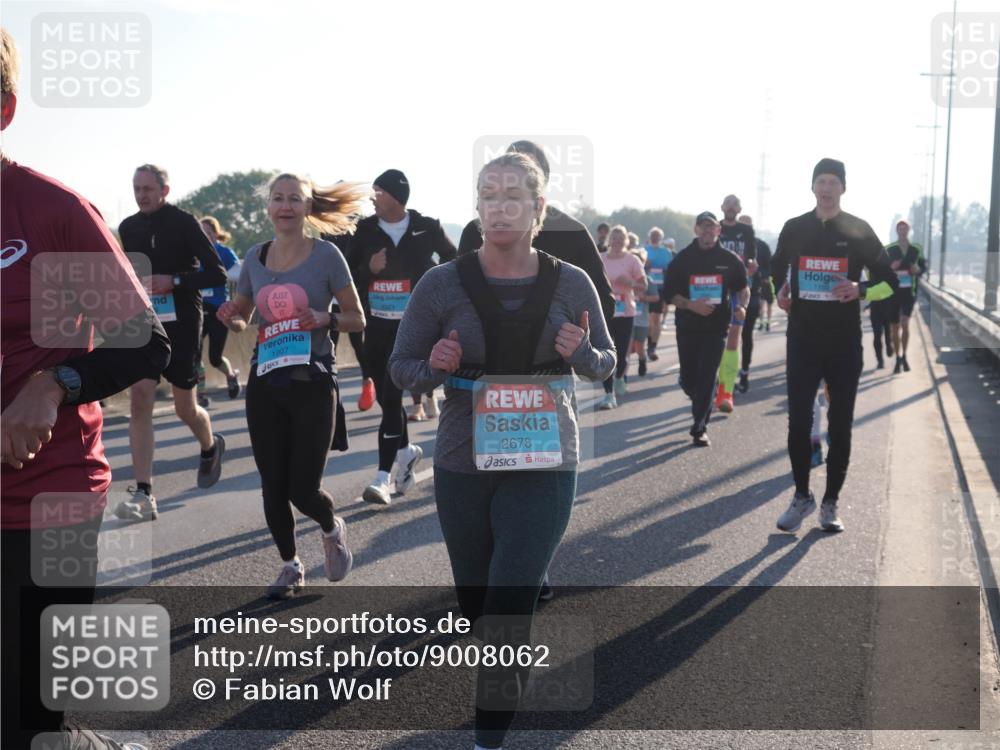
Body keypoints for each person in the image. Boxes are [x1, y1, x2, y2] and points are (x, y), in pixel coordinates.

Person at [389, 151, 615, 750]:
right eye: (489, 194)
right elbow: (401, 368)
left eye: (514, 195)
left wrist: (583, 356)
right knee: (476, 607)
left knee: (510, 602)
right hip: (464, 459)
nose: (500, 205)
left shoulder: (571, 281)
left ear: (539, 210)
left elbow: (606, 362)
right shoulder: (442, 284)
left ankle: (489, 735)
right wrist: (434, 367)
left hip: (546, 461)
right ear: (479, 207)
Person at [1, 27, 170, 750]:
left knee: (29, 719)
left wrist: (53, 382)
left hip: (50, 494)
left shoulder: (51, 210)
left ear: (4, 109)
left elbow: (145, 339)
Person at [216, 173, 365, 599]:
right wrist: (234, 316)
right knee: (272, 483)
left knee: (302, 486)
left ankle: (332, 527)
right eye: (277, 199)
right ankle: (290, 565)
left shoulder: (327, 255)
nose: (285, 206)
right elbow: (245, 317)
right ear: (269, 207)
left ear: (307, 207)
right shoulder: (255, 257)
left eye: (294, 199)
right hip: (266, 381)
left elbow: (358, 318)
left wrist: (326, 318)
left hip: (313, 381)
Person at [772, 158, 897, 533]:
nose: (826, 188)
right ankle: (801, 496)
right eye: (820, 181)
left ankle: (830, 503)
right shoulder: (795, 228)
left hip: (844, 343)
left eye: (833, 182)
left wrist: (861, 290)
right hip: (803, 340)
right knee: (798, 423)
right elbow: (775, 269)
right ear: (812, 187)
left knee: (840, 425)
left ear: (843, 188)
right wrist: (777, 292)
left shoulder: (859, 229)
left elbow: (890, 280)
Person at [114, 164, 228, 522]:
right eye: (137, 188)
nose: (142, 194)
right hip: (144, 322)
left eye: (148, 188)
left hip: (182, 322)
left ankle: (210, 445)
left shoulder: (184, 222)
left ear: (164, 190)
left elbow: (216, 273)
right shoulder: (129, 228)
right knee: (140, 400)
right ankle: (144, 493)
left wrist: (174, 281)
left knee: (184, 408)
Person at [350, 169, 456, 504]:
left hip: (413, 328)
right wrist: (371, 269)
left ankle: (382, 477)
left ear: (396, 196)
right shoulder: (364, 230)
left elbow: (455, 261)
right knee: (385, 397)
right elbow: (347, 274)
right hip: (377, 326)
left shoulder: (427, 226)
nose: (372, 198)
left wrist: (433, 291)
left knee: (392, 398)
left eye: (378, 191)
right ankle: (406, 450)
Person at [458, 139, 616, 327]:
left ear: (544, 181)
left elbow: (603, 303)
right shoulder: (475, 232)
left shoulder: (574, 234)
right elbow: (452, 297)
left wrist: (567, 338)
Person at [662, 211, 749, 446]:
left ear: (718, 231)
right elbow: (669, 294)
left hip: (716, 328)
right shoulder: (683, 259)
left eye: (712, 227)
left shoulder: (730, 260)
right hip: (688, 327)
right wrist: (691, 305)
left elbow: (742, 288)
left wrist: (741, 306)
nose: (707, 231)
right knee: (691, 380)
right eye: (703, 227)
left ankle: (699, 428)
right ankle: (697, 393)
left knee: (707, 377)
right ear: (696, 230)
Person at [715, 195, 758, 411]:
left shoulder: (747, 231)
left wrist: (751, 266)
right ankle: (715, 381)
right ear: (722, 207)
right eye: (728, 203)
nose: (731, 207)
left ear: (740, 208)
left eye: (735, 204)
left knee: (734, 338)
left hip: (738, 288)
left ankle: (726, 392)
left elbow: (752, 259)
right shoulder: (714, 227)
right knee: (713, 339)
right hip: (714, 288)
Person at [599, 225, 647, 408]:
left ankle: (619, 376)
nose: (617, 241)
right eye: (614, 237)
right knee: (605, 351)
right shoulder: (600, 259)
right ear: (609, 239)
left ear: (626, 241)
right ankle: (608, 394)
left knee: (621, 353)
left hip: (625, 311)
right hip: (605, 311)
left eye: (621, 238)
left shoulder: (632, 260)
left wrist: (630, 282)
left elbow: (643, 286)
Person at [198, 216, 242, 399]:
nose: (205, 236)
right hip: (199, 310)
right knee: (194, 354)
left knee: (215, 358)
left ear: (216, 234)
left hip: (219, 310)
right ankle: (200, 394)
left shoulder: (224, 253)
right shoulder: (193, 253)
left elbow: (239, 274)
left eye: (208, 232)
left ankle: (231, 376)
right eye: (201, 233)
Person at [885, 218, 926, 373]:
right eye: (900, 229)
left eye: (905, 229)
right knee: (894, 327)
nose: (903, 231)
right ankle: (897, 358)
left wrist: (918, 270)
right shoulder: (890, 248)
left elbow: (923, 268)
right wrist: (891, 267)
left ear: (909, 230)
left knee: (905, 324)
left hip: (909, 291)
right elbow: (882, 268)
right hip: (893, 292)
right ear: (897, 231)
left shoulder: (916, 249)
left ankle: (905, 356)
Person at [736, 214, 768, 392]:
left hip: (752, 296)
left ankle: (745, 373)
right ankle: (723, 377)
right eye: (741, 225)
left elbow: (769, 266)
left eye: (747, 226)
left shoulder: (760, 246)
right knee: (726, 339)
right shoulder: (726, 243)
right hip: (729, 296)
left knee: (746, 336)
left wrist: (759, 275)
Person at [629, 247, 659, 377]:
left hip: (641, 319)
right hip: (627, 318)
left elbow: (656, 297)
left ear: (643, 263)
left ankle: (642, 360)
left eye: (638, 261)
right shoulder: (625, 278)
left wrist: (643, 298)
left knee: (639, 347)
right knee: (627, 348)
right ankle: (621, 374)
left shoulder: (648, 280)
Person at [644, 226, 671, 362]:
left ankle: (652, 347)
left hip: (660, 288)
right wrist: (646, 266)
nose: (655, 238)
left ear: (661, 238)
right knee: (649, 321)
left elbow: (671, 270)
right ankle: (648, 343)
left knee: (656, 319)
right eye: (653, 235)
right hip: (646, 288)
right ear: (649, 237)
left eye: (657, 236)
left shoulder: (666, 252)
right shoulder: (643, 250)